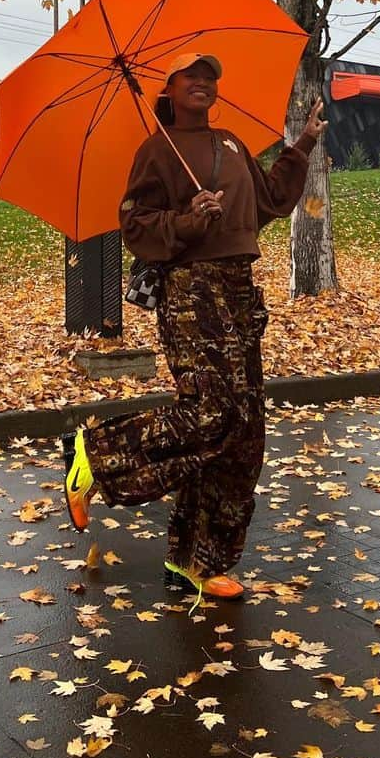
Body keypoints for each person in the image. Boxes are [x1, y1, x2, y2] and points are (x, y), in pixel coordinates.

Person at [63, 51, 325, 606]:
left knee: (244, 430)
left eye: (211, 76)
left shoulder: (230, 144)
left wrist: (299, 147)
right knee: (211, 411)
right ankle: (95, 451)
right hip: (190, 293)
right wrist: (188, 218)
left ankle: (197, 561)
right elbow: (133, 224)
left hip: (237, 289)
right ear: (170, 87)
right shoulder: (156, 150)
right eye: (192, 76)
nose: (204, 83)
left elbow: (272, 201)